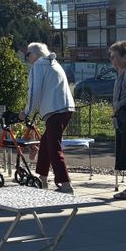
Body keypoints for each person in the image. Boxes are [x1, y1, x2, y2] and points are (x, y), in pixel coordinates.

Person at [19, 42, 76, 192]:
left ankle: (65, 184)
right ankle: (42, 179)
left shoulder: (38, 65)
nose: (27, 58)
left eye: (28, 54)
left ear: (36, 54)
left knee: (53, 146)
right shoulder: (53, 63)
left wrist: (26, 112)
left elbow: (34, 91)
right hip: (65, 108)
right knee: (45, 143)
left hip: (55, 110)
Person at [109, 41, 126, 201]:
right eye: (111, 57)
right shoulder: (121, 72)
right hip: (124, 120)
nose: (112, 60)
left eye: (115, 56)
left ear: (125, 56)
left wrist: (119, 105)